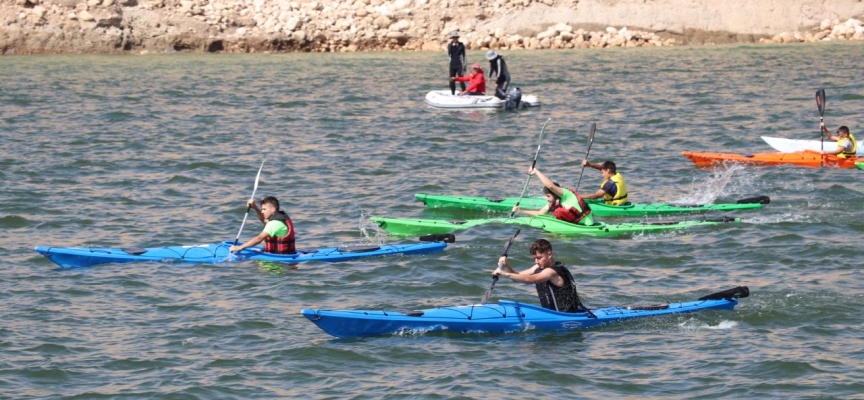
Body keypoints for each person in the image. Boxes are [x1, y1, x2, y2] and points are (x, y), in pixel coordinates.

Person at [493, 239, 593, 314]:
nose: (536, 261)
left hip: (566, 316)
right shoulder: (538, 267)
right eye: (534, 258)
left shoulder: (552, 271)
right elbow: (518, 277)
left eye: (539, 258)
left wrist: (504, 273)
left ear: (549, 254)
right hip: (551, 315)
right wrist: (506, 266)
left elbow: (531, 280)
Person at [511, 166, 595, 226]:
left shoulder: (567, 195)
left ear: (555, 194)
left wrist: (536, 171)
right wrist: (520, 210)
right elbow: (540, 213)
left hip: (588, 225)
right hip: (577, 225)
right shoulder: (553, 203)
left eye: (548, 196)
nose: (546, 199)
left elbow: (550, 186)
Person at [229, 196, 296, 254]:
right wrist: (255, 207)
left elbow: (259, 238)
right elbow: (263, 220)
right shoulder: (279, 219)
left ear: (273, 209)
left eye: (264, 209)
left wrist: (240, 247)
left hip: (278, 261)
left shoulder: (274, 224)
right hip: (283, 254)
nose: (262, 211)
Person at [447, 31, 466, 95]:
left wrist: (465, 65)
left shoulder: (461, 45)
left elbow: (464, 56)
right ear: (452, 38)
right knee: (451, 79)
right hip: (452, 64)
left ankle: (464, 91)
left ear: (457, 38)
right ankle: (453, 93)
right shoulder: (449, 45)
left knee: (461, 79)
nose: (455, 39)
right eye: (453, 37)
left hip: (460, 64)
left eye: (456, 37)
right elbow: (449, 55)